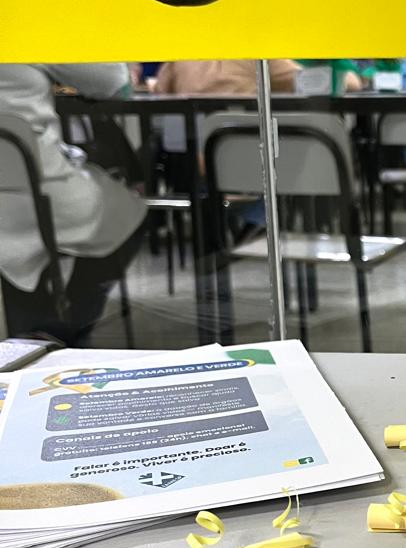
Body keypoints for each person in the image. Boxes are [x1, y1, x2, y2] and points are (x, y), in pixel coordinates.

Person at [0, 63, 145, 343]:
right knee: (131, 215)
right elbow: (112, 81)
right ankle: (68, 325)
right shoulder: (31, 35)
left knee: (13, 237)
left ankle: (32, 338)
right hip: (42, 186)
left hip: (9, 194)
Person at [154, 59, 298, 94]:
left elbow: (160, 92)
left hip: (191, 148)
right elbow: (300, 81)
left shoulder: (181, 55)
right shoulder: (256, 51)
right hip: (251, 143)